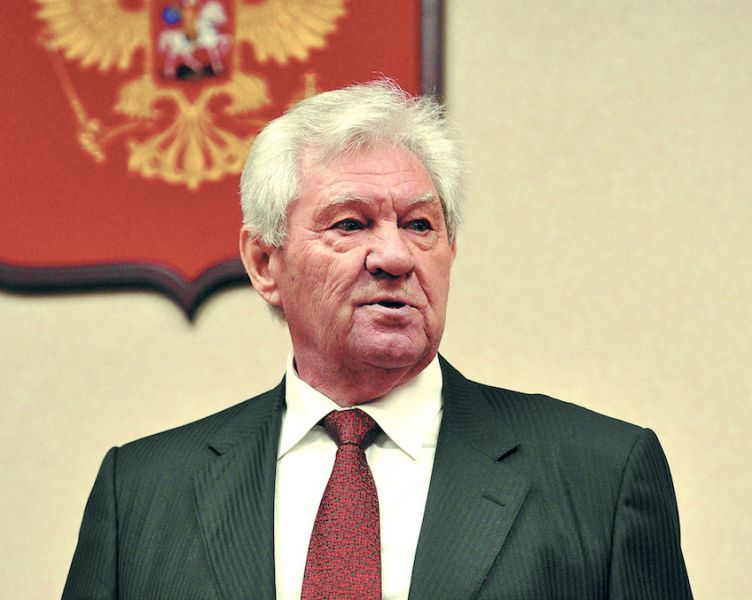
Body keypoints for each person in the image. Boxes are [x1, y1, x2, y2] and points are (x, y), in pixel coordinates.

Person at [63, 80, 693, 599]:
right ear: (263, 263)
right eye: (350, 223)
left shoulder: (602, 475)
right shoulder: (141, 492)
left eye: (419, 224)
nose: (394, 255)